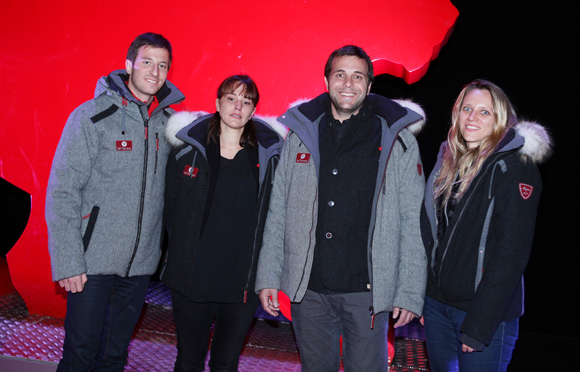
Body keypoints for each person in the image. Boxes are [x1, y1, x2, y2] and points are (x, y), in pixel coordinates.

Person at [255, 45, 427, 371]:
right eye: (340, 74)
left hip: (368, 292)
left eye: (358, 76)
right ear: (326, 80)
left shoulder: (398, 140)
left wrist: (409, 292)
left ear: (370, 84)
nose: (348, 83)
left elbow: (413, 221)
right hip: (310, 292)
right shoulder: (300, 135)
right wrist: (268, 275)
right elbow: (278, 211)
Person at [45, 32, 185, 372]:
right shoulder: (92, 116)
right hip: (91, 263)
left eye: (162, 65)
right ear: (128, 66)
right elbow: (62, 190)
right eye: (147, 62)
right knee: (81, 354)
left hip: (139, 267)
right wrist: (68, 261)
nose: (155, 72)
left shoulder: (169, 126)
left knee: (115, 357)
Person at [420, 79, 552, 371]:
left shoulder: (516, 165)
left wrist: (479, 324)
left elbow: (511, 252)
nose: (472, 117)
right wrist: (424, 296)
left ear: (501, 119)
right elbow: (432, 234)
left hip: (483, 313)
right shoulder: (448, 159)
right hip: (437, 306)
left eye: (484, 112)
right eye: (467, 108)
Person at [161, 75, 284, 372]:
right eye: (231, 98)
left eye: (246, 101)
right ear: (217, 103)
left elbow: (275, 219)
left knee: (226, 363)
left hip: (242, 282)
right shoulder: (187, 150)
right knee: (188, 361)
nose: (238, 106)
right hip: (192, 277)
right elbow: (170, 210)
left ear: (254, 110)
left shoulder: (270, 158)